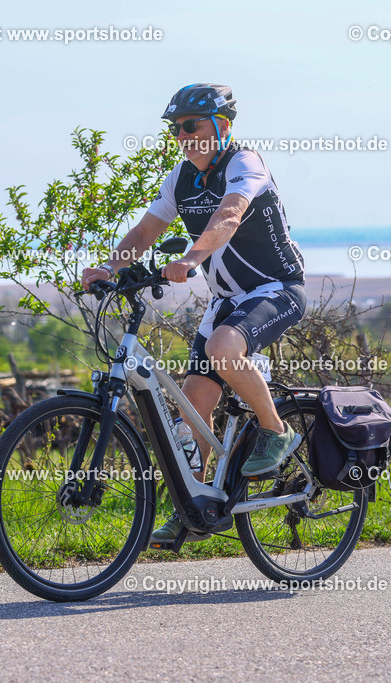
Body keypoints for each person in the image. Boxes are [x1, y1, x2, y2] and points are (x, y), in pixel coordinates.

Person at [81, 83, 306, 542]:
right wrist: (110, 266)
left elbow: (229, 216)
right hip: (227, 302)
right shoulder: (181, 179)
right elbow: (145, 231)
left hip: (276, 289)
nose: (183, 136)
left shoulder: (244, 163)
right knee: (192, 410)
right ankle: (194, 510)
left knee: (225, 347)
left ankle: (275, 430)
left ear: (221, 127)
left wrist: (191, 259)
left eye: (191, 126)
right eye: (176, 130)